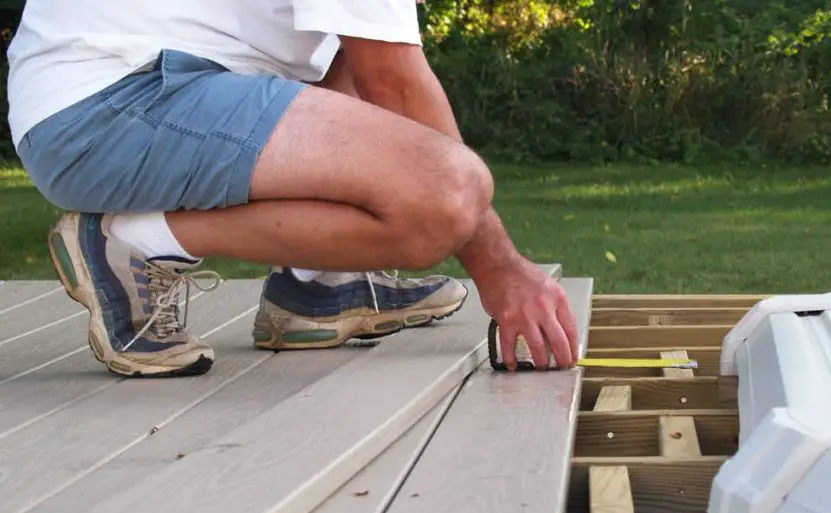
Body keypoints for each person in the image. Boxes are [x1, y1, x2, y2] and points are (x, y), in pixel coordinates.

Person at [5, 0, 580, 378]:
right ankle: (131, 241)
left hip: (126, 88)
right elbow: (395, 87)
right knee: (446, 196)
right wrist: (497, 265)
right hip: (107, 107)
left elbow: (372, 65)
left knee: (352, 51)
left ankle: (317, 286)